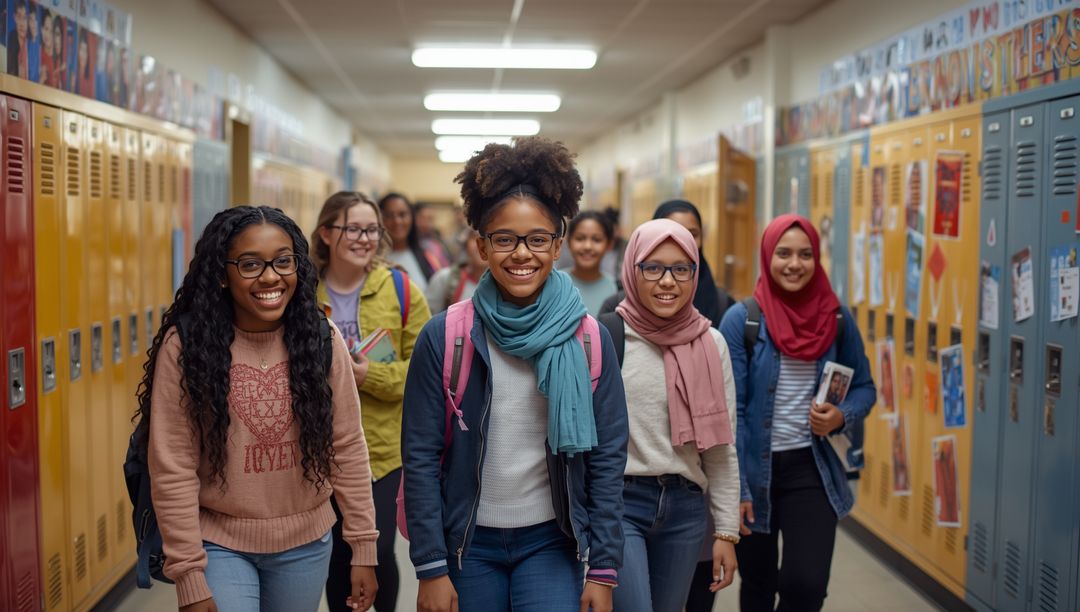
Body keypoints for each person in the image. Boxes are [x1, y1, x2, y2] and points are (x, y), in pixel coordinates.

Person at [402, 136, 629, 612]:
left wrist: (604, 569)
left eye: (537, 239)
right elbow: (420, 456)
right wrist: (430, 566)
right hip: (469, 542)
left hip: (551, 540)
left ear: (557, 245)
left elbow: (608, 457)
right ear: (482, 246)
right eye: (504, 239)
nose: (521, 253)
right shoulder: (446, 336)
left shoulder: (588, 339)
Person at [138, 205, 378, 612]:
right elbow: (172, 465)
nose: (270, 277)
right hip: (219, 540)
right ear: (221, 272)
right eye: (250, 265)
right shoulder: (188, 347)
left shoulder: (320, 337)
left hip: (306, 542)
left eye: (283, 262)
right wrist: (189, 574)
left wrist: (363, 547)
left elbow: (347, 446)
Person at [719, 214, 875, 612]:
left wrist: (841, 416)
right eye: (784, 253)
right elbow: (730, 408)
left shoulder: (836, 318)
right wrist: (735, 488)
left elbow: (865, 388)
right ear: (767, 256)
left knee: (806, 584)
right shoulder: (743, 320)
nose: (794, 263)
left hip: (812, 468)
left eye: (806, 254)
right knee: (758, 583)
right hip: (754, 470)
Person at [601, 219, 739, 611]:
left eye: (681, 269)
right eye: (653, 267)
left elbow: (721, 447)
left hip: (686, 507)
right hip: (621, 503)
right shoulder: (607, 336)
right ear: (633, 269)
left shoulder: (712, 343)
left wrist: (726, 532)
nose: (667, 281)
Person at [311, 192, 432, 612]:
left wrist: (369, 375)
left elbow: (425, 372)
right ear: (326, 232)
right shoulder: (301, 289)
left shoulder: (399, 289)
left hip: (381, 451)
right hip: (316, 450)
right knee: (337, 554)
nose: (365, 239)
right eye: (353, 229)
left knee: (376, 551)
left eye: (372, 230)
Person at [601, 199, 734, 329]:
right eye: (670, 233)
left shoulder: (722, 307)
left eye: (692, 234)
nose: (681, 240)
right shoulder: (614, 313)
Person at [379, 193, 438, 291]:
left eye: (402, 215)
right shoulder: (372, 260)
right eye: (389, 215)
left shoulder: (427, 257)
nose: (397, 221)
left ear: (412, 218)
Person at [567, 211, 618, 316]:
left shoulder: (616, 289)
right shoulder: (553, 283)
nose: (587, 246)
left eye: (596, 240)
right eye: (580, 238)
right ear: (568, 241)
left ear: (609, 244)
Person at [424, 229, 487, 313]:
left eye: (486, 239)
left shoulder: (505, 285)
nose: (481, 246)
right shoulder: (445, 279)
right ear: (465, 245)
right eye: (475, 238)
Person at [414, 202, 453, 270]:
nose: (428, 223)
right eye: (424, 218)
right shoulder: (413, 243)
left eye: (430, 219)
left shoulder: (438, 240)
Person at [7, 0, 29, 80]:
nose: (21, 23)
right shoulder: (10, 39)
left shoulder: (31, 45)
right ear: (14, 17)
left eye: (25, 18)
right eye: (19, 17)